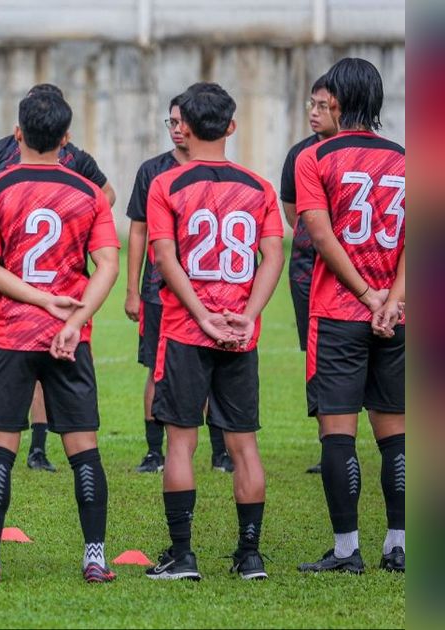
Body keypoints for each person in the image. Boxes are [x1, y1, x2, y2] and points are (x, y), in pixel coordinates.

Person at [0, 89, 119, 584]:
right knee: (83, 448)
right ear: (67, 138)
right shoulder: (88, 192)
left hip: (11, 335)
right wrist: (71, 318)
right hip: (69, 337)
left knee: (0, 447)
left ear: (19, 133)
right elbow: (108, 265)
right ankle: (95, 558)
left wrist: (36, 299)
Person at [0, 83, 116, 473]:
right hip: (15, 289)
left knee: (45, 367)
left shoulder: (77, 162)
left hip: (45, 292)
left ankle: (37, 449)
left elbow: (107, 196)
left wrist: (72, 228)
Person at [144, 82, 284, 581]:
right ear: (231, 126)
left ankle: (182, 555)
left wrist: (202, 315)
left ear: (184, 126)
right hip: (241, 333)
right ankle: (250, 556)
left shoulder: (167, 184)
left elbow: (163, 257)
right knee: (244, 445)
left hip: (187, 329)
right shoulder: (259, 186)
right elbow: (274, 257)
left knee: (180, 443)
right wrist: (247, 314)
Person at [295, 58, 405, 574]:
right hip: (397, 315)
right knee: (395, 436)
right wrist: (391, 299)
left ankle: (346, 552)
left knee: (338, 436)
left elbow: (320, 234)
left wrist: (365, 295)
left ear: (339, 100)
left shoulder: (315, 157)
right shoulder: (408, 159)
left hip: (340, 312)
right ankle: (397, 546)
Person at [125, 97, 233, 474]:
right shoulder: (152, 171)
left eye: (180, 121)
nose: (174, 128)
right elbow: (138, 231)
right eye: (169, 121)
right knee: (157, 371)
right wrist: (132, 289)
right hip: (160, 292)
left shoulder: (225, 176)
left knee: (219, 372)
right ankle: (155, 451)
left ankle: (222, 451)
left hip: (217, 294)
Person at [280, 74, 340, 475]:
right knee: (318, 355)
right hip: (308, 267)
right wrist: (315, 239)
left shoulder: (356, 153)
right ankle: (330, 445)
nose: (314, 113)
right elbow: (291, 209)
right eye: (311, 105)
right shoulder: (301, 154)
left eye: (323, 106)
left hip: (363, 267)